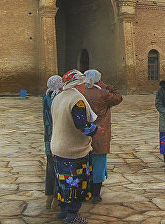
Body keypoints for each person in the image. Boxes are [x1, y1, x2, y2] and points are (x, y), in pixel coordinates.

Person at [50, 70, 99, 224]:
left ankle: (63, 210)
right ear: (77, 84)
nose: (85, 86)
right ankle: (72, 215)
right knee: (75, 183)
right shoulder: (77, 100)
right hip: (73, 150)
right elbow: (82, 126)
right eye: (83, 83)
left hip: (57, 147)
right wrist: (97, 130)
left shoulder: (58, 97)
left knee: (62, 181)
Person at [82, 69, 123, 203]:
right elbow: (118, 97)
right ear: (98, 80)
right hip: (100, 133)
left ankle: (85, 190)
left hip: (84, 134)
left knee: (85, 164)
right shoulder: (103, 93)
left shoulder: (81, 92)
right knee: (98, 163)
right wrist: (106, 86)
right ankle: (95, 194)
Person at [43, 75, 63, 210]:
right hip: (58, 138)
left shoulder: (46, 97)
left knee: (50, 169)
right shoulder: (58, 99)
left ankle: (48, 198)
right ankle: (56, 199)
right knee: (58, 170)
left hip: (48, 138)